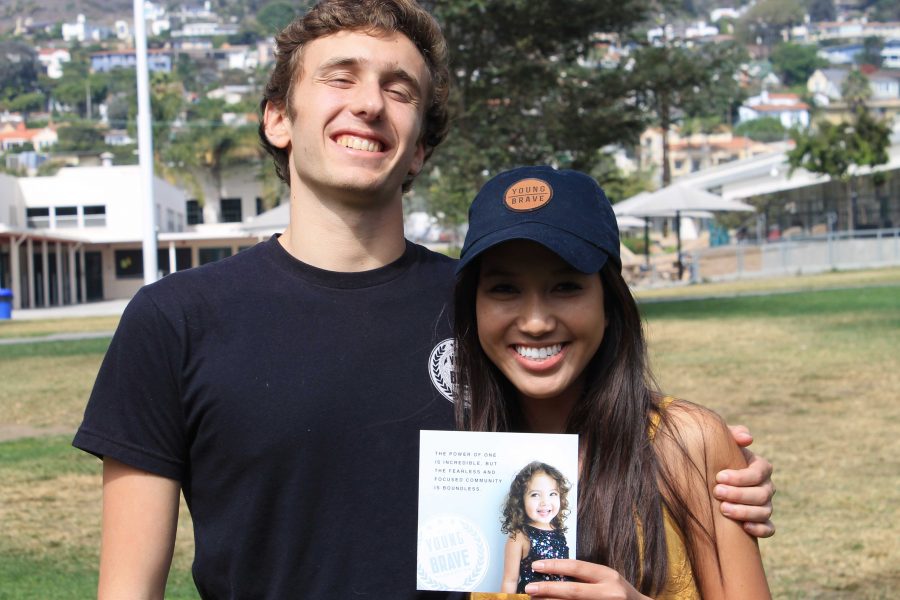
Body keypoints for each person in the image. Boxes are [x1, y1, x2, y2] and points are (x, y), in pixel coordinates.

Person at [72, 1, 774, 597]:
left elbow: (619, 436)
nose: (369, 102)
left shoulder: (488, 309)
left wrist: (714, 472)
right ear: (279, 119)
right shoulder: (174, 320)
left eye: (399, 88)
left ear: (420, 151)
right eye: (339, 77)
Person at [453, 166, 772, 599]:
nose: (535, 322)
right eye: (504, 288)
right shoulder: (455, 455)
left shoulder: (689, 443)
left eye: (565, 286)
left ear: (609, 301)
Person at [500, 461, 572, 593]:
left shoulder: (559, 533)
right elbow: (510, 581)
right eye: (535, 495)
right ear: (521, 500)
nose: (545, 502)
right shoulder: (519, 536)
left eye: (552, 494)